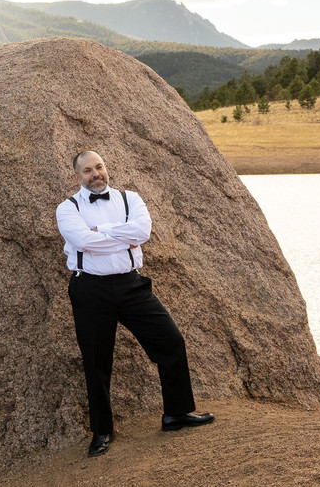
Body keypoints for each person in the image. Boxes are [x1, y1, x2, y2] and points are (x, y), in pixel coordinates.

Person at [55, 150, 214, 457]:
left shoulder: (131, 199)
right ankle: (103, 431)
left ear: (106, 168)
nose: (96, 174)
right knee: (96, 361)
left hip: (131, 285)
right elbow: (84, 242)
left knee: (171, 342)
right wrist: (121, 236)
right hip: (90, 289)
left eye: (99, 167)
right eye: (87, 170)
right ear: (77, 177)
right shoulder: (67, 208)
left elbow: (142, 232)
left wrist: (101, 232)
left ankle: (176, 414)